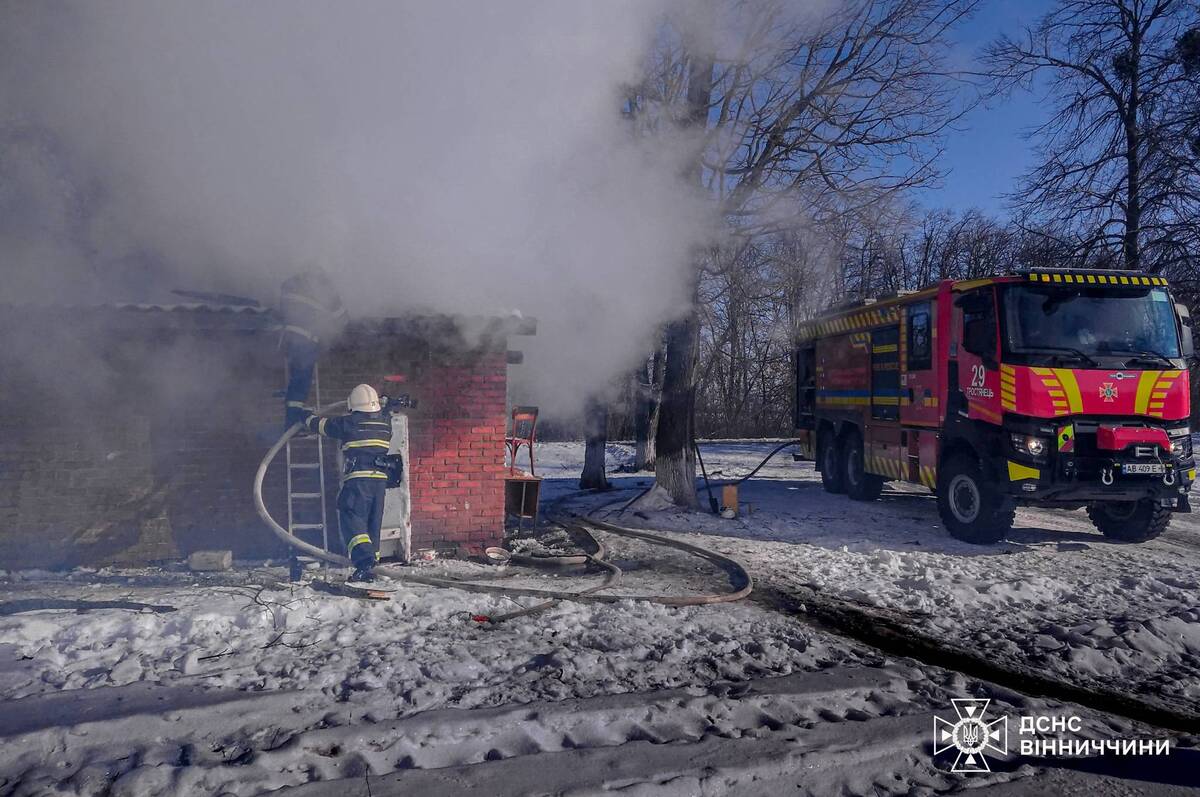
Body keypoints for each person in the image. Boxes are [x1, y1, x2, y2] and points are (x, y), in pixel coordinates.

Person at [302, 384, 393, 582]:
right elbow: (384, 413)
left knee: (351, 515)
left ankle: (364, 561)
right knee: (372, 523)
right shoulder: (386, 424)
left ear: (354, 406)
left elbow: (323, 426)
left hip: (359, 479)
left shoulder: (350, 423)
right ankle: (370, 568)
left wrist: (306, 417)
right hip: (380, 481)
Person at [280, 268, 349, 429]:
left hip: (289, 339)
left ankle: (295, 418)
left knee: (296, 381)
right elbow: (342, 317)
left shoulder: (291, 283)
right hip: (306, 340)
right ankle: (292, 424)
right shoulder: (324, 287)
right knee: (301, 381)